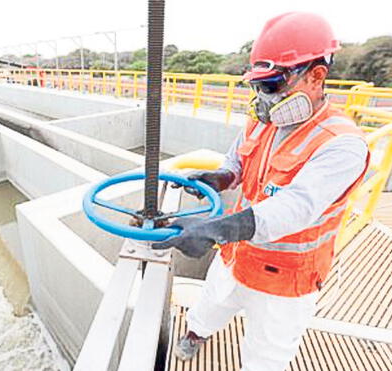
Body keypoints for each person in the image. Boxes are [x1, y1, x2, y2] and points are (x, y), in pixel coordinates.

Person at [154, 12, 369, 371]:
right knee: (210, 303)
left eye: (271, 85)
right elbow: (236, 161)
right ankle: (195, 334)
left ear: (317, 75)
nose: (263, 98)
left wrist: (213, 229)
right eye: (257, 85)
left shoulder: (342, 144)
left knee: (266, 356)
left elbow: (294, 209)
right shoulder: (265, 119)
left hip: (286, 279)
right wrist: (219, 178)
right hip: (237, 254)